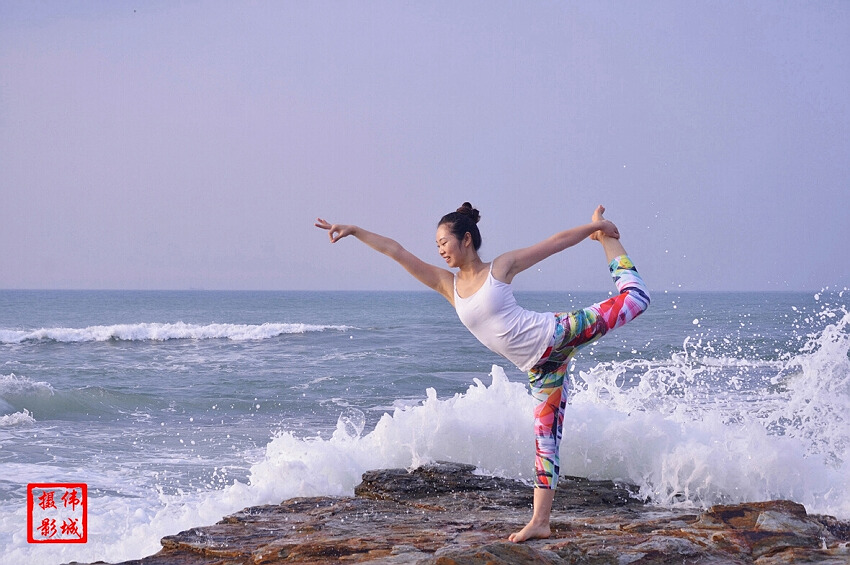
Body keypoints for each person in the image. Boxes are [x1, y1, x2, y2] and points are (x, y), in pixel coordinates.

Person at [314, 203, 650, 542]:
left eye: (444, 242)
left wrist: (596, 229)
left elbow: (555, 242)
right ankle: (540, 522)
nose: (440, 250)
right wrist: (356, 231)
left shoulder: (500, 268)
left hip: (558, 332)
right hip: (540, 368)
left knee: (636, 299)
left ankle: (605, 237)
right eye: (437, 245)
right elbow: (397, 252)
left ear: (467, 240)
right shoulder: (449, 286)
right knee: (546, 444)